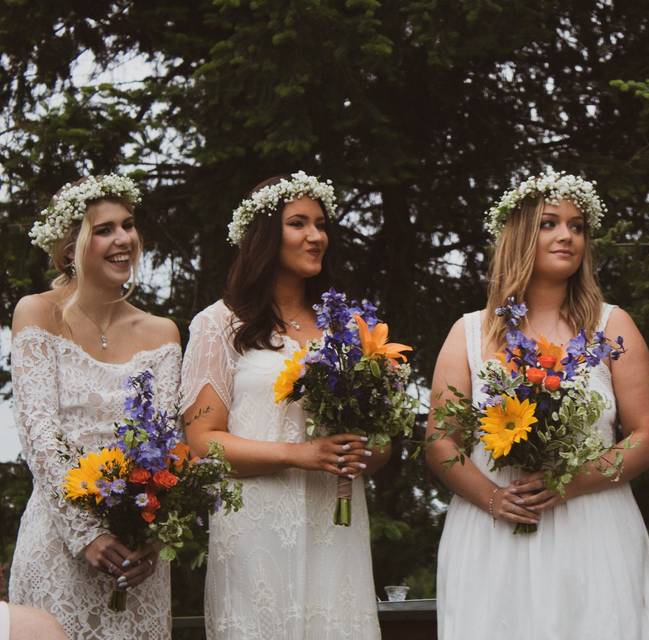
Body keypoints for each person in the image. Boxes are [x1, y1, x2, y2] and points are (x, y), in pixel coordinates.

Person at [426, 172, 649, 639]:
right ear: (519, 235)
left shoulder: (612, 326)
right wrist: (494, 498)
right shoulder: (470, 333)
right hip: (494, 528)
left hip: (593, 525)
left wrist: (570, 482)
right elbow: (440, 440)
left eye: (577, 227)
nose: (567, 236)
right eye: (550, 224)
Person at [181, 172, 386, 639]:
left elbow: (380, 445)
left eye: (320, 224)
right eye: (298, 223)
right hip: (254, 525)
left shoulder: (348, 330)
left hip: (335, 524)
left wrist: (364, 452)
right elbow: (202, 441)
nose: (316, 236)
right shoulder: (218, 324)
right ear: (263, 235)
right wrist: (302, 455)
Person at [9, 175, 181, 639]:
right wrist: (87, 533)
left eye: (127, 225)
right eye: (104, 229)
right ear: (70, 248)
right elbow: (38, 433)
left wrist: (155, 535)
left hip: (137, 559)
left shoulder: (162, 333)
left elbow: (168, 446)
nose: (123, 238)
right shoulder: (37, 313)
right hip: (59, 545)